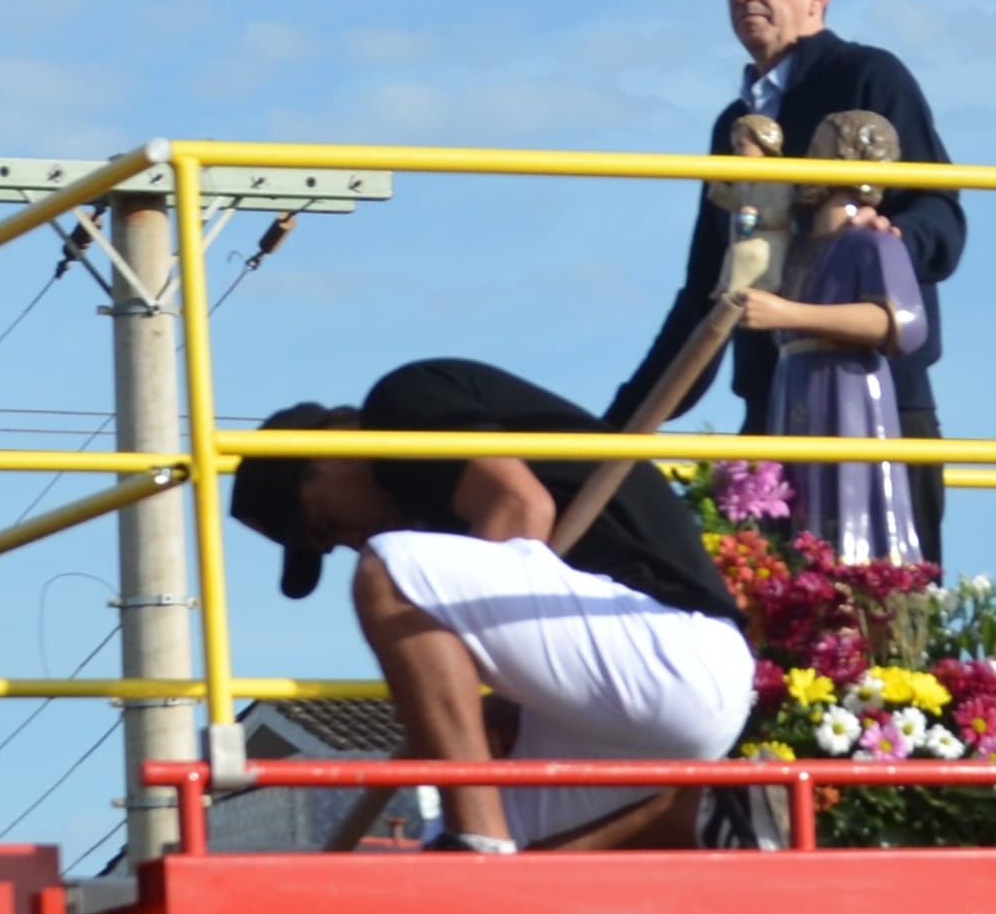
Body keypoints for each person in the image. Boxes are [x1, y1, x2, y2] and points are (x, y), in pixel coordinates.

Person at [229, 359, 756, 854]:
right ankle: (679, 809)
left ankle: (477, 840)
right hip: (628, 707)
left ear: (329, 450)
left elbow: (521, 505)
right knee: (461, 864)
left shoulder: (402, 402)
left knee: (389, 570)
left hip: (671, 645)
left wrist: (488, 695)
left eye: (326, 524)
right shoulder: (435, 527)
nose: (347, 540)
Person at [612, 0, 968, 560]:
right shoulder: (733, 126)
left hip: (879, 398)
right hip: (770, 402)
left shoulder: (868, 76)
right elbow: (706, 289)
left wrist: (885, 238)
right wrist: (623, 425)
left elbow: (941, 218)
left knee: (891, 612)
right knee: (771, 618)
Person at [739, 110, 938, 565]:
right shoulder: (797, 250)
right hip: (794, 389)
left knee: (847, 515)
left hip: (848, 394)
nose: (806, 160)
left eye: (819, 149)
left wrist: (789, 313)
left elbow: (902, 325)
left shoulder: (873, 243)